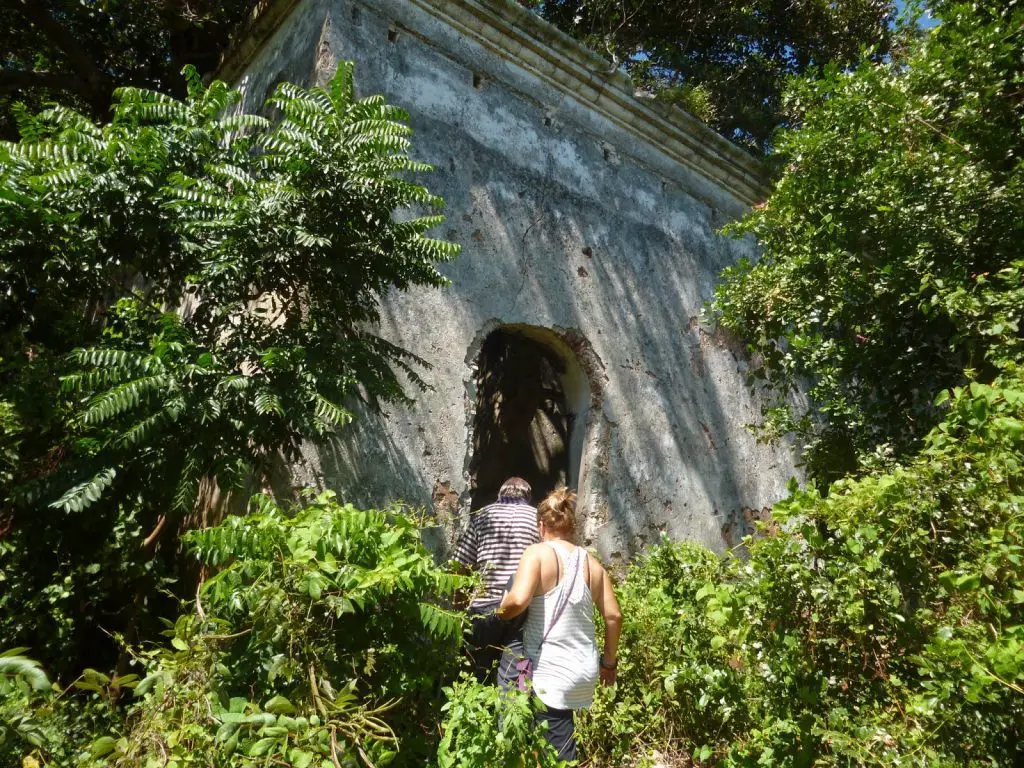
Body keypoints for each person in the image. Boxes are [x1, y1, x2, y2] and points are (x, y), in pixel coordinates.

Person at [497, 487, 622, 764]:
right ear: (571, 526)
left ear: (541, 526)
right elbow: (613, 616)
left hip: (551, 671)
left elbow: (517, 601)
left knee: (553, 753)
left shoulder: (538, 553)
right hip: (582, 671)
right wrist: (609, 663)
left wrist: (499, 611)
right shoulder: (592, 564)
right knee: (546, 739)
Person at [452, 476, 540, 683]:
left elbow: (459, 565)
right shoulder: (537, 519)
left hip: (484, 608)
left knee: (475, 671)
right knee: (518, 674)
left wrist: (460, 606)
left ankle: (471, 708)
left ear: (500, 495)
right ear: (528, 497)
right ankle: (518, 709)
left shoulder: (483, 516)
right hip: (521, 611)